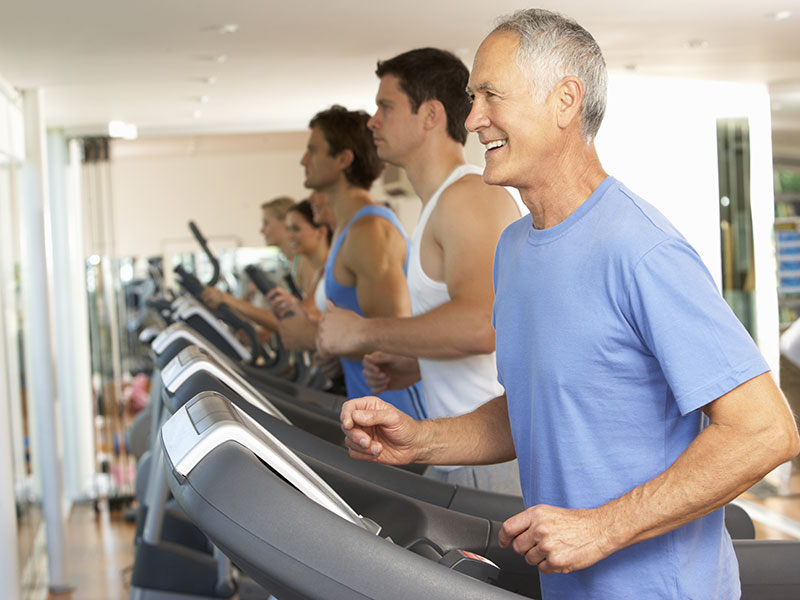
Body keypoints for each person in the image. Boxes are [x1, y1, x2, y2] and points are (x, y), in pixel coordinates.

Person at [340, 9, 800, 599]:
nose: (473, 118)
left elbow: (765, 430)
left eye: (491, 95)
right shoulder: (514, 249)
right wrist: (420, 440)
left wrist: (602, 528)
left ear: (565, 101)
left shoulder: (641, 250)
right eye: (472, 98)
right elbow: (536, 407)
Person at [316, 48, 523, 495]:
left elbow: (481, 325)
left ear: (430, 115)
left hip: (488, 457)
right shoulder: (442, 202)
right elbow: (481, 338)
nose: (373, 122)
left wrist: (362, 332)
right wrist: (417, 362)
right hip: (458, 451)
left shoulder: (469, 197)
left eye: (386, 107)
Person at [275, 105, 426, 420]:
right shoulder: (348, 229)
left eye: (313, 150)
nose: (303, 160)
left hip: (400, 413)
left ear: (343, 159)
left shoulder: (369, 231)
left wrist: (315, 338)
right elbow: (361, 331)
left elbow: (395, 344)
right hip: (370, 408)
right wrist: (335, 354)